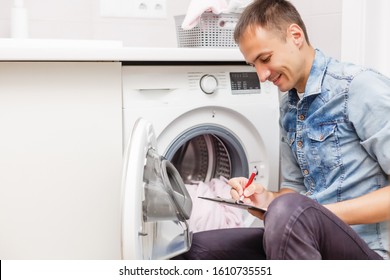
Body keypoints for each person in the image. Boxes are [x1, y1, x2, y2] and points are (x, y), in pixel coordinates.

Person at [173, 0, 390, 260]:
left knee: (290, 211)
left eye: (265, 59)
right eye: (254, 65)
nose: (262, 75)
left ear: (295, 36)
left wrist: (311, 214)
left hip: (366, 252)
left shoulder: (359, 88)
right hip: (305, 236)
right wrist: (264, 199)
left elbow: (297, 209)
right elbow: (293, 192)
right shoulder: (289, 106)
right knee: (196, 249)